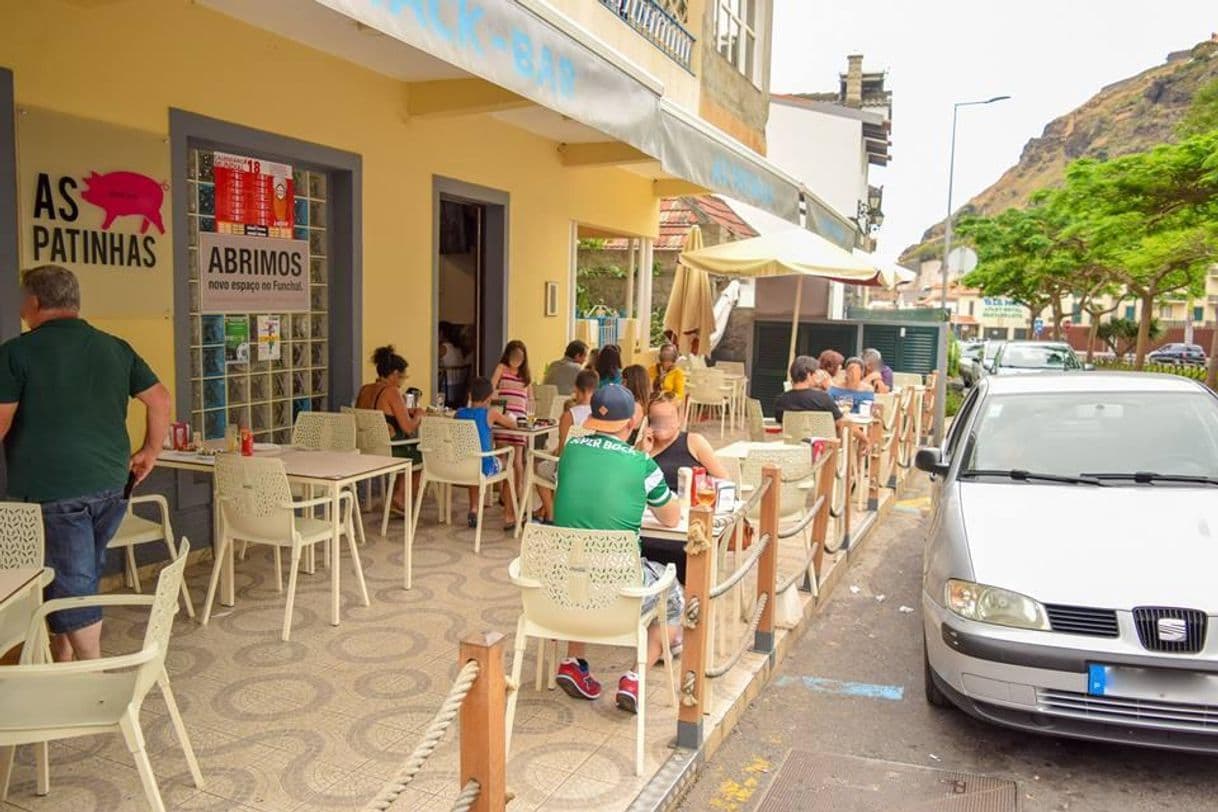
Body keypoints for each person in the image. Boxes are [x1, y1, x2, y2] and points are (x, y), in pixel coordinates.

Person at [0, 265, 171, 662]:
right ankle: (61, 659)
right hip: (113, 486)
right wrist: (150, 452)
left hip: (55, 491)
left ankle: (92, 677)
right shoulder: (115, 347)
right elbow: (160, 399)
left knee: (72, 583)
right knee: (74, 572)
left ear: (34, 302)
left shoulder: (15, 353)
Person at [552, 384, 682, 712]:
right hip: (617, 594)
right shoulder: (641, 465)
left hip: (563, 586)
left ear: (594, 418)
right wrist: (645, 459)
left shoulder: (571, 452)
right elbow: (670, 518)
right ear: (630, 425)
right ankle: (636, 675)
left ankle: (574, 661)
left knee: (581, 558)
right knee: (674, 596)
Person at [356, 345, 423, 511]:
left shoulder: (365, 389)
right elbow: (408, 427)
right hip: (389, 450)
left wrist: (406, 411)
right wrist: (418, 416)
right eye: (402, 377)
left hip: (365, 447)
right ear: (394, 374)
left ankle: (395, 497)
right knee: (422, 454)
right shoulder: (391, 392)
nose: (402, 382)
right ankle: (400, 498)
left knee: (410, 449)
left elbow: (378, 413)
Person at [533, 368, 598, 523]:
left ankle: (551, 515)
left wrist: (552, 455)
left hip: (570, 469)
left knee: (540, 469)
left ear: (576, 389)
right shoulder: (600, 415)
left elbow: (563, 450)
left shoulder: (569, 415)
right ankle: (544, 511)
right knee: (551, 467)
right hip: (593, 469)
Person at [456, 377, 519, 528]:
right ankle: (509, 516)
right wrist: (509, 415)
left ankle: (474, 508)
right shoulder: (490, 414)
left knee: (473, 461)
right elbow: (513, 425)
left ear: (470, 395)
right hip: (485, 467)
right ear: (490, 397)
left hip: (463, 465)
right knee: (510, 466)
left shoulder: (459, 413)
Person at [491, 340, 531, 516]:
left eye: (520, 357)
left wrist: (530, 414)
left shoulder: (525, 375)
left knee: (518, 459)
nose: (517, 360)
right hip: (504, 417)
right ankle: (502, 492)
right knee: (502, 455)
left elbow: (530, 398)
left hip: (520, 420)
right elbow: (492, 387)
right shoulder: (502, 368)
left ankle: (518, 491)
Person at [437, 321, 468, 407]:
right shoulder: (458, 349)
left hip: (447, 388)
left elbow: (431, 362)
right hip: (459, 387)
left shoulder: (442, 348)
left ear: (441, 333)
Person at [622, 364, 650, 443]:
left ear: (633, 383)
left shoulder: (635, 406)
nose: (621, 384)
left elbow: (622, 429)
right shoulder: (642, 403)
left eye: (624, 381)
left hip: (626, 446)